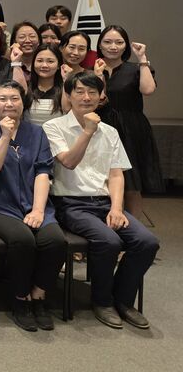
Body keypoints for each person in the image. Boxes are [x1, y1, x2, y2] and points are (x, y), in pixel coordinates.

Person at [44, 71, 160, 329]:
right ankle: (102, 301)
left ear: (101, 97)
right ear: (68, 95)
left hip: (105, 203)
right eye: (79, 92)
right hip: (71, 203)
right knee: (109, 241)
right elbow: (69, 162)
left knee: (147, 242)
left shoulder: (110, 132)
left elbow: (116, 174)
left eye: (92, 92)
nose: (86, 97)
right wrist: (88, 131)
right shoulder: (54, 127)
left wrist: (117, 208)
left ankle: (123, 300)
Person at [0, 80, 65, 332]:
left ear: (23, 103)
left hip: (34, 204)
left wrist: (38, 210)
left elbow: (43, 172)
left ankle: (39, 295)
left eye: (14, 98)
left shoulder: (36, 132)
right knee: (23, 239)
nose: (9, 104)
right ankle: (19, 299)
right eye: (2, 99)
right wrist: (4, 136)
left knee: (55, 240)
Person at [97, 25, 164, 216]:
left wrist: (142, 59)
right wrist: (98, 75)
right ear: (100, 45)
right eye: (108, 42)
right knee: (103, 180)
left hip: (131, 128)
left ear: (126, 45)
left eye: (119, 42)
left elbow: (148, 90)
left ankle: (134, 226)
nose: (113, 47)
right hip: (101, 126)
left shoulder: (136, 68)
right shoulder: (93, 68)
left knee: (132, 183)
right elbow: (97, 99)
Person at [26, 43, 67, 125]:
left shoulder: (66, 87)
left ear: (59, 65)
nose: (44, 65)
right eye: (40, 61)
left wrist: (65, 80)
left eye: (50, 61)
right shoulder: (26, 86)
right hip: (29, 133)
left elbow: (66, 109)